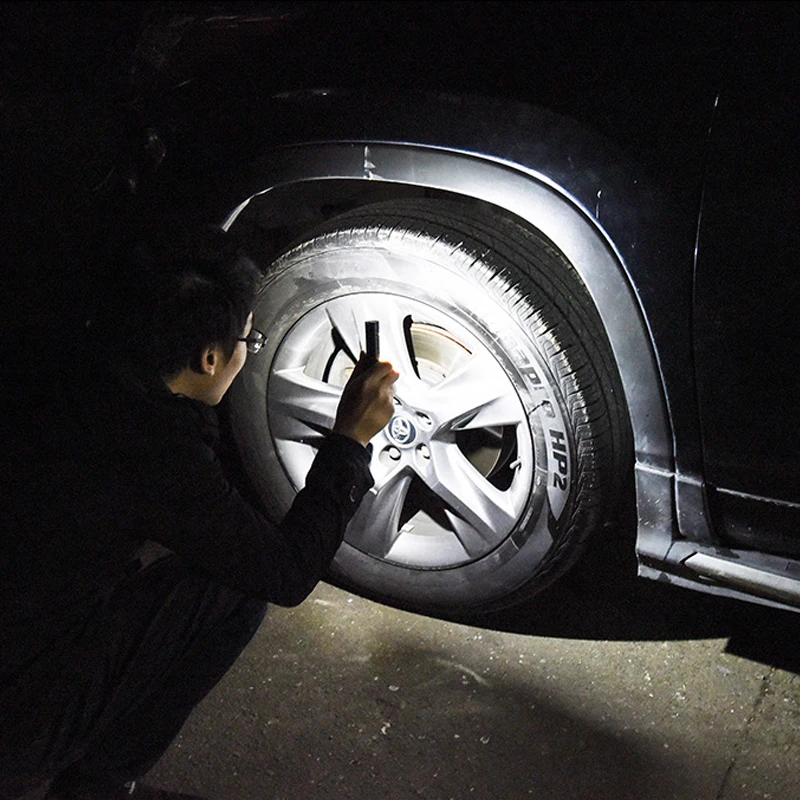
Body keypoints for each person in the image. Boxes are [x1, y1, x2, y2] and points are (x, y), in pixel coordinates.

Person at [0, 226, 399, 800]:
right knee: (234, 589)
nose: (247, 350)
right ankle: (95, 785)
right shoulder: (155, 449)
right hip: (16, 708)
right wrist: (350, 442)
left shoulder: (61, 365)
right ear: (209, 358)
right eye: (248, 339)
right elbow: (286, 572)